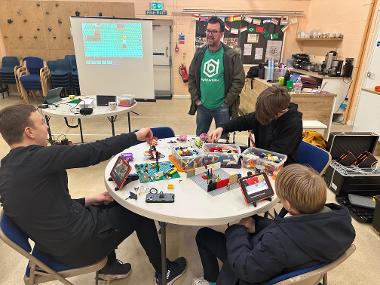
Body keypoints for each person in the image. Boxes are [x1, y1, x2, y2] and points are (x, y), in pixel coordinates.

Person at [0, 104, 186, 285]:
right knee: (138, 211)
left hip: (55, 242)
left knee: (109, 201)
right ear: (29, 132)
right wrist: (135, 136)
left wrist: (88, 200)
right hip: (79, 245)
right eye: (42, 122)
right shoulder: (40, 157)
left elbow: (44, 206)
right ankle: (164, 271)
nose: (47, 126)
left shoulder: (7, 166)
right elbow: (93, 151)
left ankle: (110, 267)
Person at [192, 164, 356, 285]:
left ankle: (211, 281)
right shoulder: (338, 222)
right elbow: (291, 228)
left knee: (204, 235)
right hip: (285, 262)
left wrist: (236, 231)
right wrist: (258, 225)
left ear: (289, 205)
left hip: (250, 273)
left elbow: (246, 269)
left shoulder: (278, 241)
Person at [209, 86, 302, 164]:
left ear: (275, 113)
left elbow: (273, 155)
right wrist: (222, 128)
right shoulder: (268, 112)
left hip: (280, 167)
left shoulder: (293, 124)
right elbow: (243, 121)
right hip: (260, 160)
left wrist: (237, 150)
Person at [188, 16, 245, 136]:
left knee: (222, 140)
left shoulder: (231, 55)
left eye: (214, 31)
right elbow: (192, 77)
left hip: (222, 108)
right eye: (208, 30)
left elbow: (238, 81)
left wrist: (226, 103)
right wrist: (197, 100)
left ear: (222, 34)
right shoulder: (199, 53)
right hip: (202, 106)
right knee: (200, 138)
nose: (210, 34)